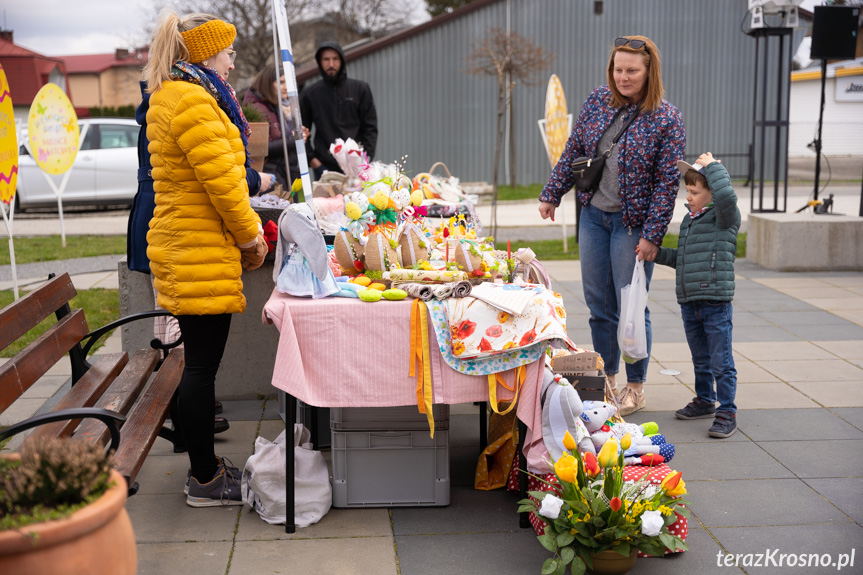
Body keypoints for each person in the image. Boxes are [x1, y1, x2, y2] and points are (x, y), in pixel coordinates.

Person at [143, 11, 268, 507]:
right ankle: (205, 481)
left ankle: (206, 471)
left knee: (198, 366)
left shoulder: (174, 95)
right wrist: (251, 239)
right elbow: (225, 188)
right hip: (197, 249)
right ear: (205, 53)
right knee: (200, 369)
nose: (234, 62)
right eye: (229, 51)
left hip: (184, 245)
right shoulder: (194, 102)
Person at [538, 36, 685, 416]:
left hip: (632, 224)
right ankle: (606, 383)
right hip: (594, 217)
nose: (623, 76)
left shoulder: (666, 118)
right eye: (618, 69)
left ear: (649, 71)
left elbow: (668, 183)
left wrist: (652, 235)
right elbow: (574, 150)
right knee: (599, 306)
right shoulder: (597, 101)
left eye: (632, 70)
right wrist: (552, 192)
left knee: (632, 304)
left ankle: (635, 387)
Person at [652, 153, 740, 438]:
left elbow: (727, 195)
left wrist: (713, 166)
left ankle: (727, 410)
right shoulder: (690, 221)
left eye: (694, 192)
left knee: (721, 361)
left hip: (715, 302)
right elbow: (685, 258)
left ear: (711, 193)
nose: (687, 197)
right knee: (700, 358)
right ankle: (705, 399)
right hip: (691, 302)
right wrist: (658, 254)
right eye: (687, 191)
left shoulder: (724, 217)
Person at [299, 41, 378, 178]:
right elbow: (302, 132)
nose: (331, 64)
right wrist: (315, 163)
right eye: (326, 59)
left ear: (342, 60)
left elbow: (370, 128)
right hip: (324, 169)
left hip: (358, 167)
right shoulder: (310, 93)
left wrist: (365, 160)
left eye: (335, 59)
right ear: (319, 62)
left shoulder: (360, 89)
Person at [243, 66, 301, 189]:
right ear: (267, 84)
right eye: (281, 82)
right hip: (269, 174)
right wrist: (294, 138)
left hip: (285, 170)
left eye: (288, 82)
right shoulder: (258, 108)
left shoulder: (280, 105)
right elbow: (258, 147)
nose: (286, 86)